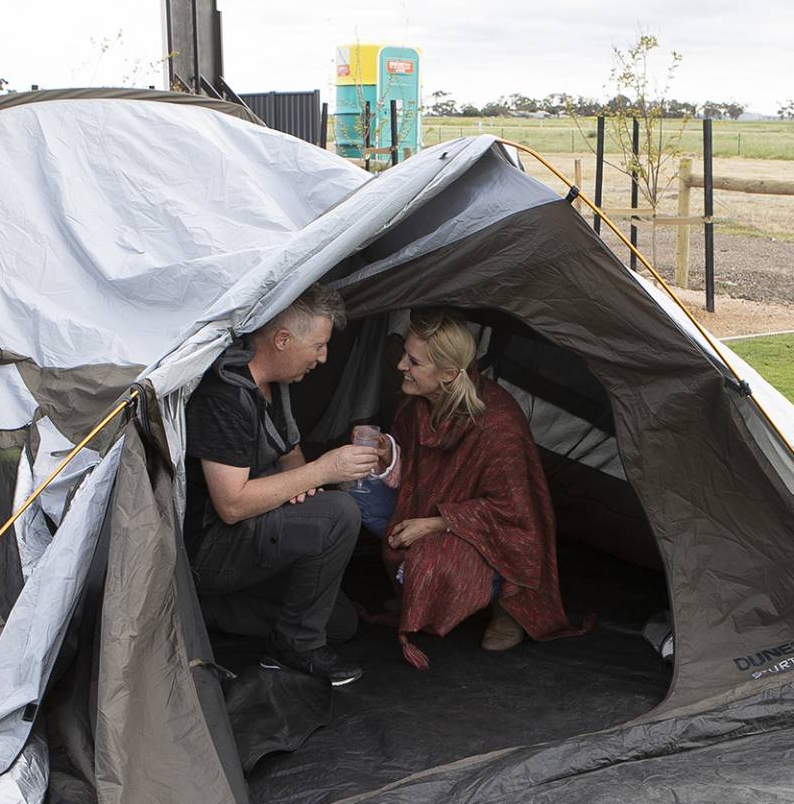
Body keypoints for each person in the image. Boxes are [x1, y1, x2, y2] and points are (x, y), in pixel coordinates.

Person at [354, 311, 585, 669]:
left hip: (486, 532)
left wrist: (436, 524)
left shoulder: (496, 425)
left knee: (427, 560)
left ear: (448, 374)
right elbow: (415, 474)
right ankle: (417, 591)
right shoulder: (417, 406)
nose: (401, 365)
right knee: (357, 491)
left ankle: (508, 608)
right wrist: (390, 456)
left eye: (413, 361)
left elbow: (513, 515)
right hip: (432, 510)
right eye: (404, 354)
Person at [183, 283, 384, 686]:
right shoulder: (224, 396)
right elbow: (232, 504)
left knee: (341, 623)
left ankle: (209, 611)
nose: (323, 357)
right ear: (283, 339)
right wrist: (324, 472)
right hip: (209, 547)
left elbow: (291, 458)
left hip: (251, 535)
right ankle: (295, 647)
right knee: (338, 512)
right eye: (319, 346)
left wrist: (310, 484)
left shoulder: (276, 390)